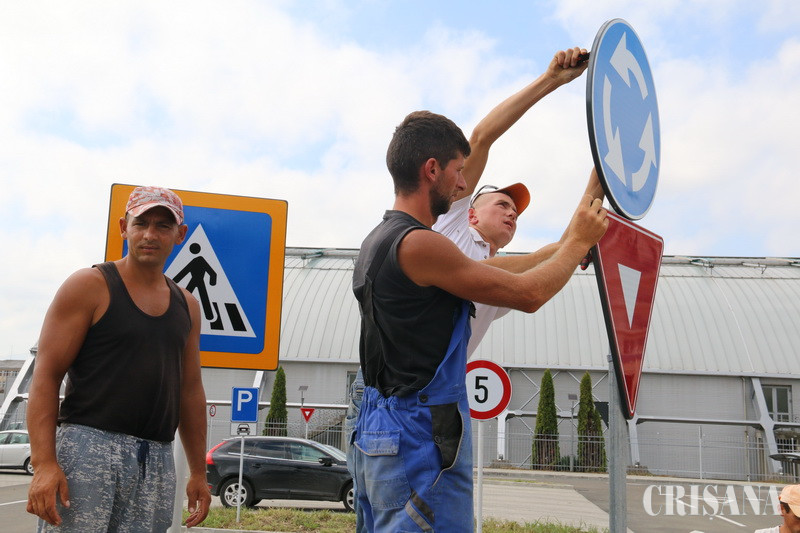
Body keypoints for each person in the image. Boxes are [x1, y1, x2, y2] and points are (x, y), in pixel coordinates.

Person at [345, 46, 599, 530]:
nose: (463, 183)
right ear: (433, 171)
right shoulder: (434, 238)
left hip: (387, 418)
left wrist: (595, 187)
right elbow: (529, 292)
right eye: (461, 174)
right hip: (417, 422)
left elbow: (534, 262)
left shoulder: (393, 241)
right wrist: (551, 80)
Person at [26, 186, 211, 532]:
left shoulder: (187, 305)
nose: (150, 234)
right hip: (87, 448)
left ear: (180, 234)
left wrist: (198, 472)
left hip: (156, 458)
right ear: (124, 228)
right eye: (141, 223)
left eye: (163, 226)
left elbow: (190, 391)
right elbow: (46, 376)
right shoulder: (89, 286)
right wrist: (44, 464)